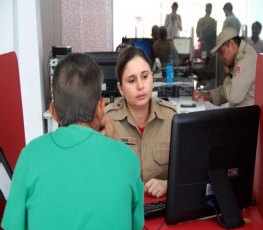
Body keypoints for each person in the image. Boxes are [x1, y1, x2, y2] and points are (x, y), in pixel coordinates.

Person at [1, 53, 144, 230]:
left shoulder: (29, 156)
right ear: (100, 107)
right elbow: (136, 224)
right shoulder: (127, 159)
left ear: (53, 112)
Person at [105, 47, 177, 198]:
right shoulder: (108, 120)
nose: (140, 86)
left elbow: (187, 169)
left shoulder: (171, 117)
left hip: (161, 208)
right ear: (121, 89)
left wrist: (167, 184)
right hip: (123, 206)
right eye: (131, 80)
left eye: (145, 76)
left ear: (152, 77)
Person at [192, 27, 257, 107]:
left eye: (222, 52)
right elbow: (228, 89)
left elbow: (231, 96)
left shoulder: (245, 60)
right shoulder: (238, 57)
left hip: (248, 116)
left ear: (232, 44)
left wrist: (228, 75)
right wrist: (205, 95)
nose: (222, 57)